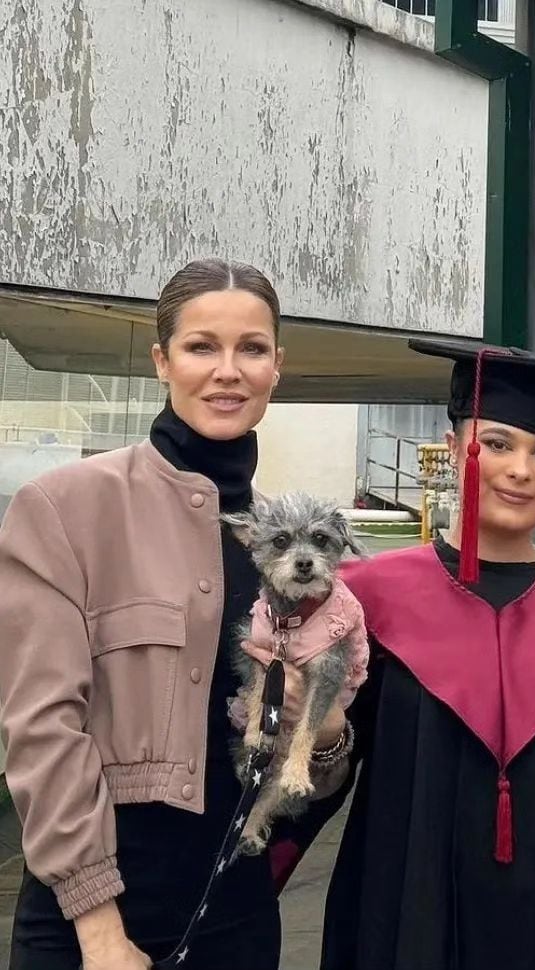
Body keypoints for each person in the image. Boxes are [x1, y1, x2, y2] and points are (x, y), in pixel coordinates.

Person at [0, 258, 346, 970]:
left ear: (277, 366)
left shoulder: (290, 543)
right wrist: (99, 930)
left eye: (252, 349)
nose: (228, 371)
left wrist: (328, 734)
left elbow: (314, 764)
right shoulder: (66, 509)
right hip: (94, 919)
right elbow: (41, 729)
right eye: (201, 347)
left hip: (236, 910)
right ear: (162, 361)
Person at [273, 338, 535, 970]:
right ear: (454, 449)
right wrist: (326, 739)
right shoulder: (363, 604)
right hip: (411, 918)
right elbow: (309, 784)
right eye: (497, 444)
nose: (521, 469)